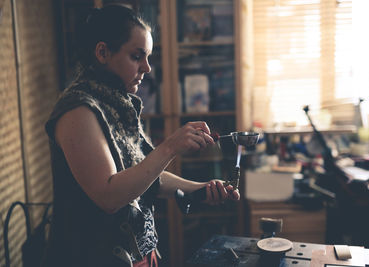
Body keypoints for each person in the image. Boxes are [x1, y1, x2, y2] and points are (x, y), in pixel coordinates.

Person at [43, 5, 239, 267]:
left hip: (136, 254)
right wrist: (170, 147)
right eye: (137, 56)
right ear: (102, 52)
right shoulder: (78, 111)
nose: (147, 67)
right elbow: (109, 196)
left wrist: (198, 189)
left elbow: (143, 175)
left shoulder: (115, 102)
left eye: (148, 57)